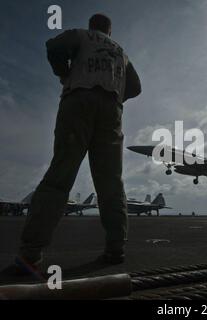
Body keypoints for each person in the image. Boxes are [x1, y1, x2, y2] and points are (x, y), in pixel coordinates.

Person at [15, 14, 141, 271]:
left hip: (78, 101)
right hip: (111, 111)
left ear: (91, 26)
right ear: (110, 29)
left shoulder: (81, 35)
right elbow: (136, 87)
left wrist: (64, 73)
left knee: (60, 176)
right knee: (111, 182)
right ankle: (116, 249)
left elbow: (54, 46)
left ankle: (31, 252)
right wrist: (116, 95)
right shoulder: (121, 52)